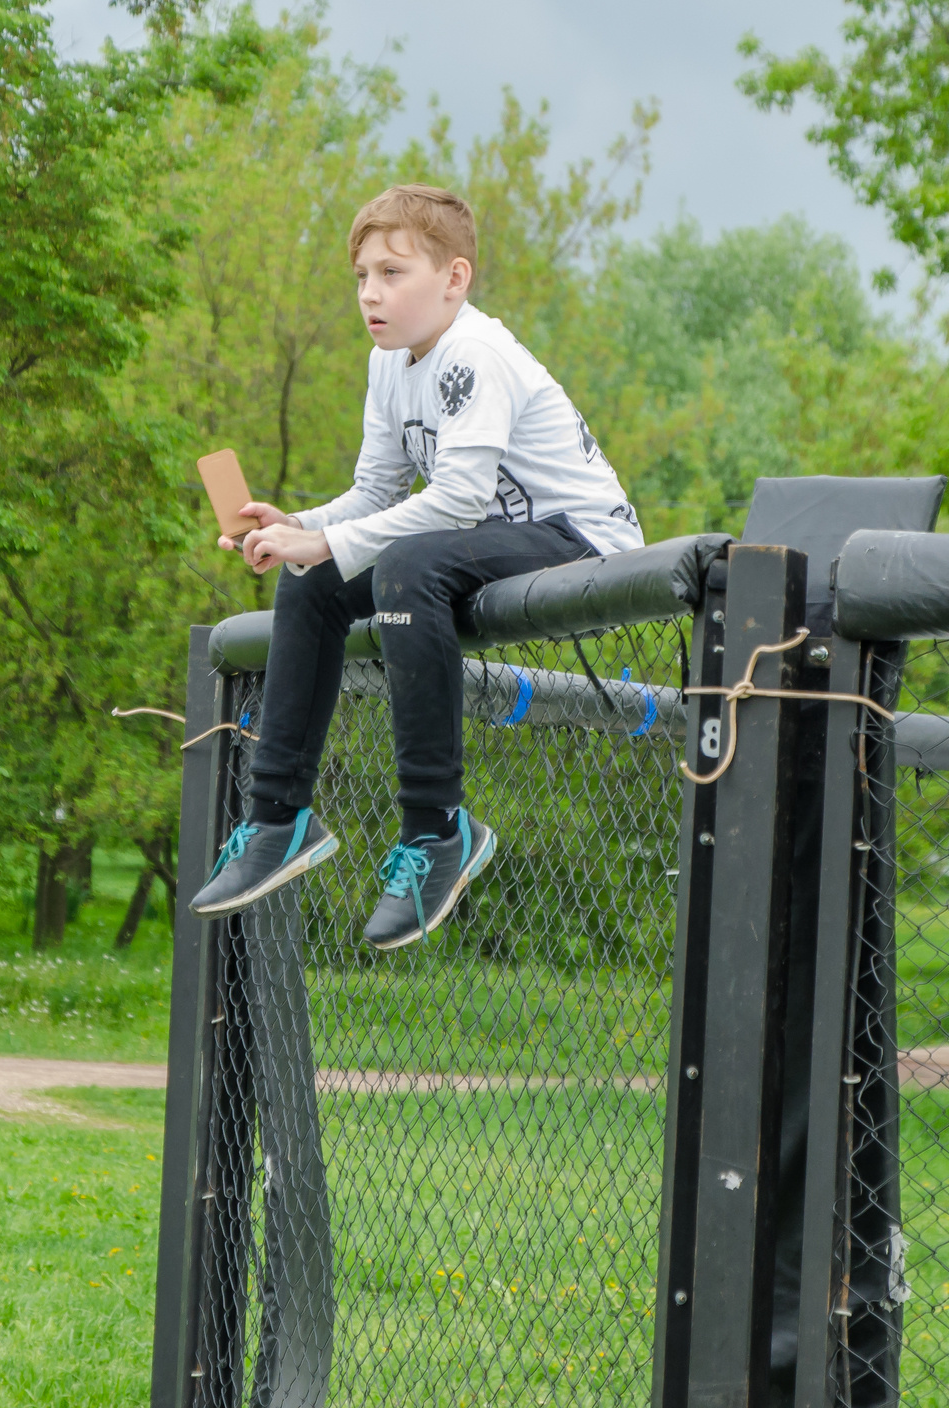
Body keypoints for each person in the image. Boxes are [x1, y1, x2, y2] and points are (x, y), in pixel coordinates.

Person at [192, 184, 643, 948]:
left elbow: (460, 500)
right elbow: (376, 493)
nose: (371, 293)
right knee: (310, 577)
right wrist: (300, 527)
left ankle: (439, 832)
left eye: (393, 274)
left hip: (577, 536)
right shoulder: (389, 364)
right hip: (481, 538)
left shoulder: (475, 352)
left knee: (399, 569)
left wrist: (330, 541)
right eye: (362, 276)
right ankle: (277, 823)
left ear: (454, 279)